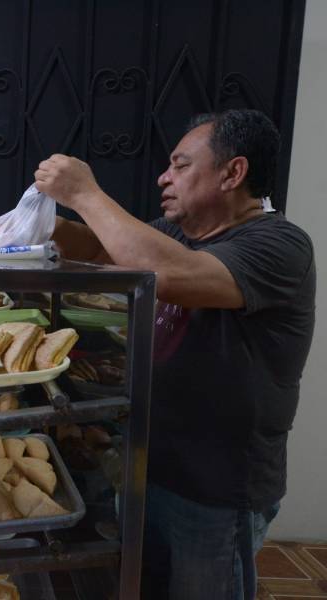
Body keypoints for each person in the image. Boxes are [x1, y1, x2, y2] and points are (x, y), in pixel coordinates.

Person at [34, 109, 315, 600]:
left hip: (215, 489)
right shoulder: (178, 232)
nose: (164, 176)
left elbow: (164, 274)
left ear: (233, 173)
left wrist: (85, 193)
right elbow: (104, 252)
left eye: (181, 165)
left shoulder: (279, 244)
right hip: (150, 466)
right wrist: (42, 223)